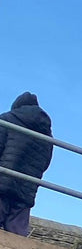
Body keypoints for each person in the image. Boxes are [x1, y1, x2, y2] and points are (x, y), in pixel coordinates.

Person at [0, 93, 54, 236]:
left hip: (2, 184)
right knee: (17, 236)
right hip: (26, 190)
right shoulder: (46, 135)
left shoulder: (7, 119)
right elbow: (45, 162)